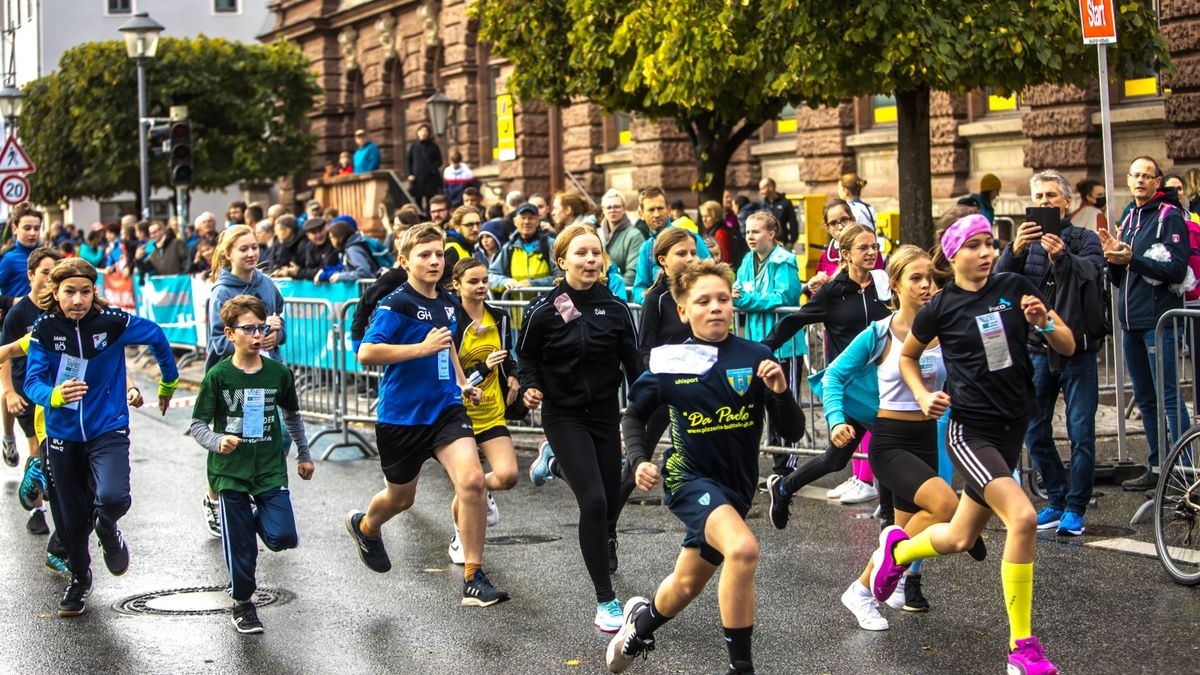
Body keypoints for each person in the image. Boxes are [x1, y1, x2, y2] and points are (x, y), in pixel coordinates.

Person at [868, 213, 1073, 675]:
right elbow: (907, 357)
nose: (985, 252)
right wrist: (922, 393)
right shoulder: (940, 307)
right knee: (1021, 517)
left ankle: (898, 552)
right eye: (975, 245)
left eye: (989, 243)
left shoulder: (1014, 285)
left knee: (962, 536)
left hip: (1012, 428)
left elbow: (1067, 344)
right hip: (971, 432)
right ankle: (1022, 649)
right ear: (954, 253)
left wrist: (1043, 323)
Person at [606, 259, 804, 675]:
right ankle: (741, 667)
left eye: (723, 299)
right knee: (744, 549)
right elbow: (633, 416)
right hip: (687, 478)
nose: (715, 307)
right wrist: (639, 459)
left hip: (736, 488)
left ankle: (640, 626)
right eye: (703, 301)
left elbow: (792, 430)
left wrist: (782, 392)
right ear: (683, 311)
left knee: (686, 584)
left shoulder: (757, 357)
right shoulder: (670, 361)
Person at [344, 223, 509, 607]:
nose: (434, 261)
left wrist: (462, 381)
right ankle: (366, 527)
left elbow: (447, 344)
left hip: (446, 408)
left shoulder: (449, 303)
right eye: (424, 255)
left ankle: (473, 575)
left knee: (471, 482)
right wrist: (420, 348)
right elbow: (367, 353)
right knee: (401, 498)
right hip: (402, 417)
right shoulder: (395, 303)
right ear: (404, 261)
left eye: (439, 254)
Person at [802, 246, 965, 630]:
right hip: (891, 441)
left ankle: (861, 592)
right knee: (945, 507)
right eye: (916, 279)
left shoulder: (945, 331)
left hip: (927, 438)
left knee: (903, 538)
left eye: (931, 278)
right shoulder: (880, 332)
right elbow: (834, 376)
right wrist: (837, 418)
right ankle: (870, 587)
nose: (927, 286)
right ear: (894, 285)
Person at [25, 258, 179, 617]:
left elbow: (156, 335)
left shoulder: (112, 323)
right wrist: (56, 395)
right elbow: (32, 382)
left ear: (94, 291)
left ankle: (108, 526)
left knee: (112, 496)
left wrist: (168, 381)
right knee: (70, 522)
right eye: (69, 292)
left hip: (107, 428)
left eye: (85, 291)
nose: (77, 299)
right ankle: (79, 580)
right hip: (62, 435)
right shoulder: (44, 328)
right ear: (56, 292)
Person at [519, 224, 642, 631]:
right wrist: (532, 386)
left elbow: (634, 366)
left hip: (605, 414)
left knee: (606, 505)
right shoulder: (543, 309)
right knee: (592, 502)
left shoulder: (616, 308)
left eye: (596, 253)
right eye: (582, 253)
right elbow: (527, 358)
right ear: (562, 261)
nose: (591, 260)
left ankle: (553, 464)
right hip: (563, 415)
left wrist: (647, 399)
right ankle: (606, 600)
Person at [190, 294, 313, 634]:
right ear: (230, 334)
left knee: (283, 537)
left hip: (270, 467)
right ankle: (244, 604)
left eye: (261, 328)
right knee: (241, 547)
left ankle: (250, 519)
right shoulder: (218, 376)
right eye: (249, 329)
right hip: (229, 471)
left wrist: (304, 454)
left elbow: (293, 415)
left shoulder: (278, 372)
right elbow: (197, 425)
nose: (258, 335)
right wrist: (218, 441)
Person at [995, 171, 1105, 535]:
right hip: (1036, 349)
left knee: (1080, 431)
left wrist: (1064, 257)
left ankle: (1076, 508)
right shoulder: (1023, 242)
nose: (1044, 203)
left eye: (1051, 197)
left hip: (1078, 349)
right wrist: (1014, 250)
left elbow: (1093, 272)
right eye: (1038, 197)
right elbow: (999, 283)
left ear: (1066, 202)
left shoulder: (1084, 238)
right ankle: (1056, 498)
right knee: (1033, 427)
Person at [764, 223, 891, 507]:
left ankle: (785, 488)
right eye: (864, 248)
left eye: (874, 247)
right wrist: (758, 350)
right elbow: (793, 322)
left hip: (884, 382)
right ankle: (785, 487)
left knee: (857, 454)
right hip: (852, 388)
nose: (871, 253)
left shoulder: (883, 284)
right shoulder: (833, 292)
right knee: (847, 456)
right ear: (845, 254)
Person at [1099, 157, 1192, 491]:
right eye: (1134, 175)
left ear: (1157, 181)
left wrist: (1132, 259)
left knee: (1168, 396)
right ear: (1128, 180)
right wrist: (1110, 255)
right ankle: (1156, 466)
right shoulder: (1130, 217)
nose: (1139, 180)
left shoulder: (1170, 216)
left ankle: (1186, 471)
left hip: (1159, 322)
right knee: (1145, 398)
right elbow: (1119, 276)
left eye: (1146, 176)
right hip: (1130, 323)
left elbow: (1177, 270)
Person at [610, 228, 697, 540]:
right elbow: (644, 351)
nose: (690, 258)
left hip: (697, 394)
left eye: (693, 252)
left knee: (701, 462)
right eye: (681, 253)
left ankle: (704, 532)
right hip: (664, 392)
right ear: (663, 260)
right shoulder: (656, 300)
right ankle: (607, 531)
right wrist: (670, 375)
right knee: (635, 465)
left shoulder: (700, 294)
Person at [447, 258, 521, 563]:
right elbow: (452, 374)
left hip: (492, 411)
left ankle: (478, 492)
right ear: (457, 285)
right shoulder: (452, 320)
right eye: (473, 282)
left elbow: (507, 356)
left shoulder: (499, 317)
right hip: (458, 413)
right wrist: (482, 369)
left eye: (484, 281)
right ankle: (459, 535)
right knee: (469, 482)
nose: (480, 287)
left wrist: (515, 376)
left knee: (508, 476)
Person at [733, 210, 803, 481]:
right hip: (754, 343)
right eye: (748, 231)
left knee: (783, 406)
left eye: (756, 231)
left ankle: (787, 468)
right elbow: (738, 290)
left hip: (784, 345)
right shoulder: (746, 260)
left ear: (771, 234)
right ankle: (767, 464)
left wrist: (747, 300)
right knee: (754, 403)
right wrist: (743, 296)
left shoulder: (784, 261)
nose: (750, 236)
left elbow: (784, 296)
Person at [4, 248, 63, 536]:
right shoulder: (18, 313)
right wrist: (9, 393)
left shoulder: (61, 306)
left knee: (56, 449)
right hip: (26, 387)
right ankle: (37, 509)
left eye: (55, 272)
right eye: (44, 272)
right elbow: (5, 355)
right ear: (31, 275)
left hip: (56, 389)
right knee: (37, 447)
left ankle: (53, 488)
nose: (50, 278)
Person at [631, 187, 711, 303]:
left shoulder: (691, 239)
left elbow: (711, 273)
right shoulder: (646, 248)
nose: (657, 214)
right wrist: (656, 301)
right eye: (651, 210)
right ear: (641, 214)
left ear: (668, 210)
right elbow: (638, 288)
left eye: (660, 208)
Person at [487, 203, 559, 294]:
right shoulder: (509, 247)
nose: (526, 222)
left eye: (530, 218)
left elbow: (560, 276)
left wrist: (533, 284)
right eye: (523, 218)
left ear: (537, 221)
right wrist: (505, 281)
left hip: (545, 306)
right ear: (515, 221)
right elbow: (491, 275)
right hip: (518, 307)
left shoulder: (549, 244)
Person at [600, 189, 646, 292]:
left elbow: (633, 272)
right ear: (603, 210)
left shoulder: (634, 235)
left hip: (622, 295)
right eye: (609, 207)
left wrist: (613, 293)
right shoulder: (597, 234)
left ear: (624, 208)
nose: (613, 210)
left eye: (617, 206)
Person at [0, 202, 44, 298]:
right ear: (15, 229)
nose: (32, 233)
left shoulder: (46, 257)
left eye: (36, 228)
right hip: (15, 312)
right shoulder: (8, 259)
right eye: (27, 228)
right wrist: (10, 302)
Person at [405, 124, 443, 214]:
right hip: (417, 179)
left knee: (430, 199)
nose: (424, 133)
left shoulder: (433, 146)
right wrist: (410, 174)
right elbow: (408, 161)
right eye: (421, 131)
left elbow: (439, 161)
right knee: (417, 199)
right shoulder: (413, 146)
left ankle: (429, 215)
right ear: (418, 133)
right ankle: (419, 215)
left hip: (430, 178)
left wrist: (432, 168)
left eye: (426, 131)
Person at [443, 205, 483, 286]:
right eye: (469, 225)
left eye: (478, 224)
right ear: (457, 227)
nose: (475, 229)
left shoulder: (468, 246)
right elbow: (444, 286)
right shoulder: (452, 249)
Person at [757, 178, 798, 246]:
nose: (761, 192)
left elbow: (793, 223)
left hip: (782, 243)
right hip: (765, 243)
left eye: (762, 188)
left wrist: (791, 242)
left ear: (771, 187)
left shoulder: (785, 203)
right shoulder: (761, 205)